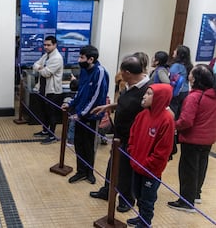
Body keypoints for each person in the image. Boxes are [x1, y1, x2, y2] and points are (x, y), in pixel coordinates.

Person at [89, 55, 151, 213]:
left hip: (132, 139)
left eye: (122, 72)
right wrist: (109, 106)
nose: (120, 75)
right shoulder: (130, 85)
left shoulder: (148, 90)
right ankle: (107, 191)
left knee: (126, 170)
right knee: (113, 164)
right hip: (119, 135)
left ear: (128, 72)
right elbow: (125, 102)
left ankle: (126, 200)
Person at [168, 64, 216, 212]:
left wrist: (173, 125)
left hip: (192, 139)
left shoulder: (194, 97)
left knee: (188, 169)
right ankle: (195, 194)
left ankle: (186, 202)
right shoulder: (212, 95)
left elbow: (186, 121)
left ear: (194, 79)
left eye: (191, 73)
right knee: (201, 167)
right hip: (208, 139)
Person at [126, 84, 175, 227]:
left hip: (150, 170)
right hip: (137, 165)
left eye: (149, 94)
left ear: (159, 98)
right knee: (138, 195)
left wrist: (147, 164)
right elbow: (133, 136)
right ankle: (141, 217)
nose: (144, 96)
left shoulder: (166, 120)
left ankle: (145, 222)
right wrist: (132, 152)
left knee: (148, 199)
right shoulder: (142, 115)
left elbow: (163, 151)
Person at [62, 45, 109, 184]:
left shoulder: (99, 72)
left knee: (89, 146)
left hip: (91, 116)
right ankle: (80, 171)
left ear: (91, 59)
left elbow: (96, 96)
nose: (79, 59)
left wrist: (82, 114)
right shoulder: (83, 70)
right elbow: (80, 92)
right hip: (80, 115)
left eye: (82, 57)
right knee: (79, 144)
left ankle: (89, 172)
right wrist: (71, 104)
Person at [32, 35, 64, 144]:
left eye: (49, 45)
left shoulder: (57, 58)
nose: (46, 47)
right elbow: (35, 65)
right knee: (44, 112)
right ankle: (45, 130)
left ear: (55, 45)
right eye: (45, 45)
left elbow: (46, 73)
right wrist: (41, 67)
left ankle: (52, 135)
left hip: (53, 91)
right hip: (43, 89)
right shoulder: (46, 56)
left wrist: (40, 68)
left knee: (51, 114)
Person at [169, 45, 193, 119]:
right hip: (185, 91)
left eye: (176, 50)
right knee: (180, 111)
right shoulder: (189, 65)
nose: (174, 51)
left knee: (173, 111)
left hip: (176, 92)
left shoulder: (176, 66)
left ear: (179, 54)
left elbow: (170, 78)